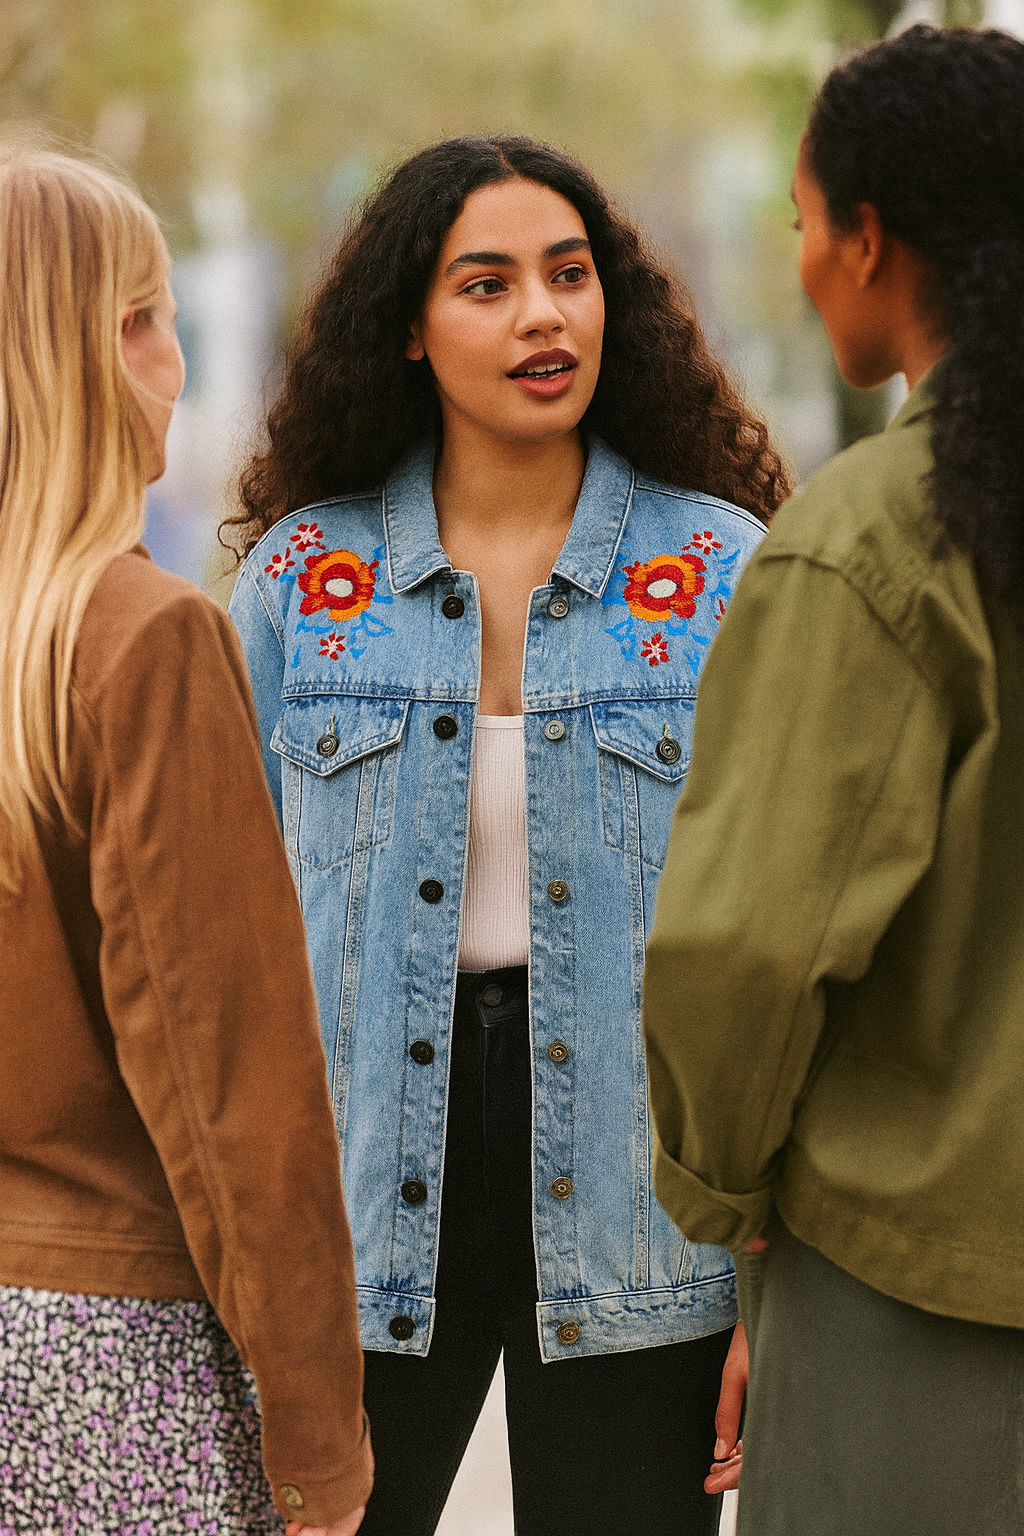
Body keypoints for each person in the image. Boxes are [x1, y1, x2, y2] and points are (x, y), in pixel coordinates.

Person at [225, 135, 789, 1536]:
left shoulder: (725, 574)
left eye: (571, 275)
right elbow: (211, 944)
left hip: (642, 1209)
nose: (543, 315)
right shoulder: (305, 583)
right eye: (487, 284)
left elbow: (793, 943)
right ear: (407, 332)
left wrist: (773, 1296)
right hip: (351, 1212)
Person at [642, 24, 1024, 1536]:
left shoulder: (875, 539)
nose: (802, 260)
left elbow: (745, 945)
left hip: (913, 1295)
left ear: (869, 241)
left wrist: (720, 1203)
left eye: (803, 226)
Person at [0, 149, 372, 1535]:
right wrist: (319, 1440)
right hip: (100, 1364)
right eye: (143, 317)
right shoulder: (144, 641)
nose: (174, 357)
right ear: (64, 353)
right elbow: (231, 1082)